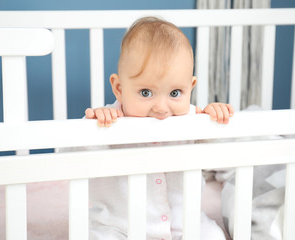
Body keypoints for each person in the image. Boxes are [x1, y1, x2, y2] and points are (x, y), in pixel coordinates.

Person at [85, 16, 234, 240]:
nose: (162, 108)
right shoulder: (108, 122)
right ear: (118, 88)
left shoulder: (193, 120)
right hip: (119, 227)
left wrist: (213, 123)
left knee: (213, 235)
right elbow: (72, 159)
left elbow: (221, 155)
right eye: (146, 93)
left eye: (175, 93)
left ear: (190, 87)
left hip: (186, 226)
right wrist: (93, 129)